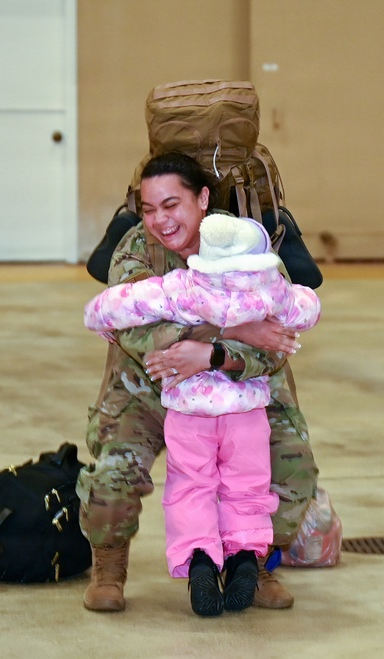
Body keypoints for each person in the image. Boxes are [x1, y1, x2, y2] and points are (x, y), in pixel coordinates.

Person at [77, 152, 321, 612]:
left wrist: (216, 353)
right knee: (113, 473)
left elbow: (279, 335)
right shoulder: (135, 249)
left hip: (238, 385)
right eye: (149, 210)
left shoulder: (245, 242)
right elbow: (140, 333)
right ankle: (108, 567)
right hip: (149, 386)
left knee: (293, 466)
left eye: (172, 205)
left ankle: (255, 561)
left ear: (203, 198)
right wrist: (240, 327)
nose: (160, 221)